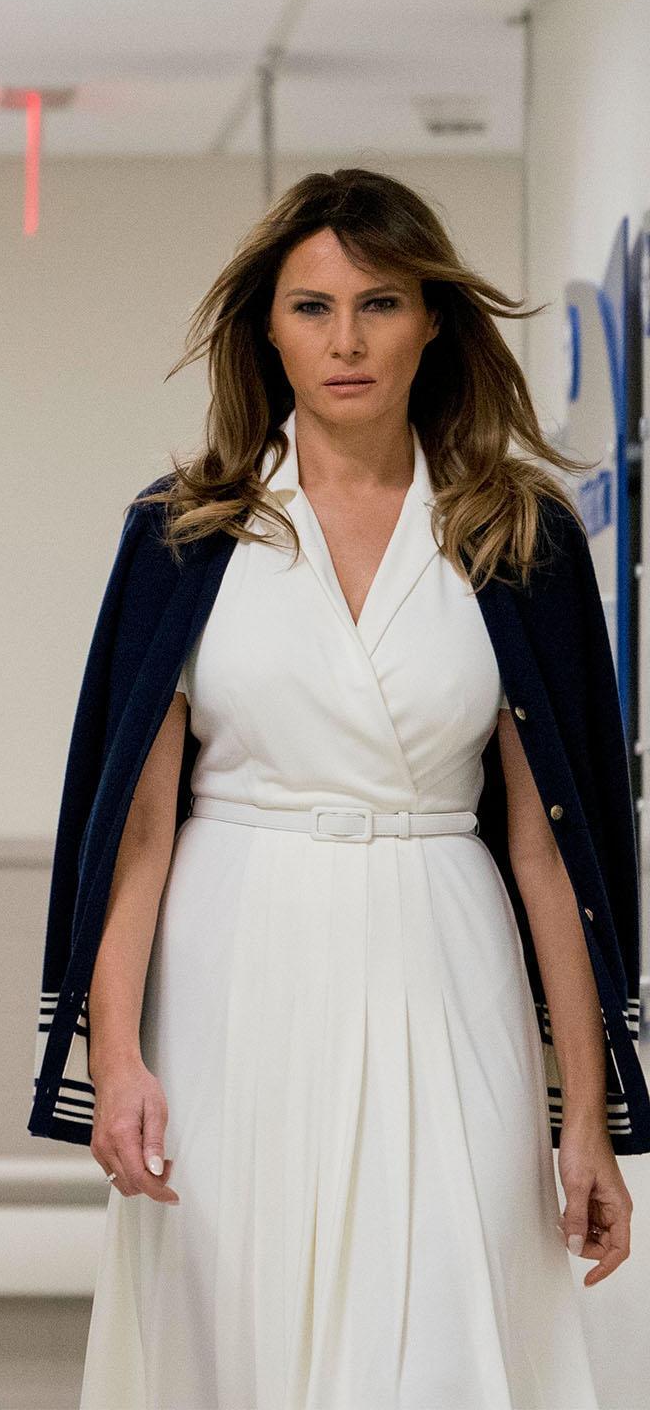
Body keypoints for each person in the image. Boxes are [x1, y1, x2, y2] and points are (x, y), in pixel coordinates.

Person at [33, 169, 647, 1405]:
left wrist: (583, 1116)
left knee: (442, 1309)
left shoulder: (514, 533)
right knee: (236, 1326)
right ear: (266, 326)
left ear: (431, 320)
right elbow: (135, 826)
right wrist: (117, 1058)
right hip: (228, 966)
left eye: (378, 303)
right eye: (311, 307)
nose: (346, 340)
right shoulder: (186, 530)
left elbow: (548, 849)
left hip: (446, 953)